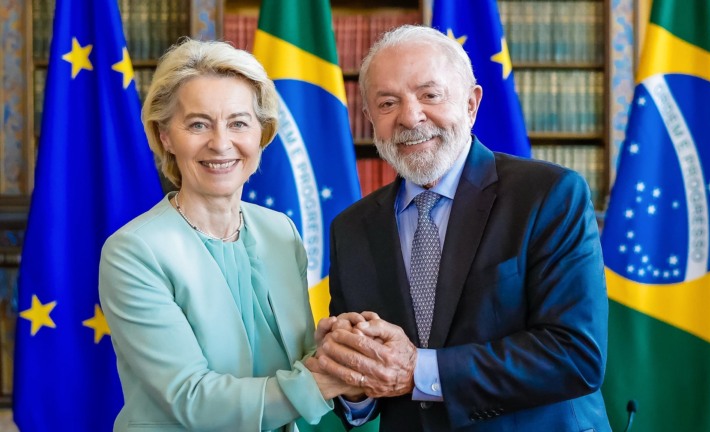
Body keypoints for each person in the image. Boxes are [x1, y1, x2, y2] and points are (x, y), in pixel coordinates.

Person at [309, 25, 611, 431]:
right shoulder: (351, 228)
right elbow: (366, 398)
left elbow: (576, 356)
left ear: (471, 104)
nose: (410, 116)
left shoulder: (549, 195)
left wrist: (419, 369)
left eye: (430, 95)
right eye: (387, 103)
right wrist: (353, 376)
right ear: (369, 119)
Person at [98, 39, 355, 432]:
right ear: (165, 135)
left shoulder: (279, 232)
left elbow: (290, 364)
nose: (221, 143)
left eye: (238, 122)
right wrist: (325, 380)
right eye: (198, 124)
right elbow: (191, 399)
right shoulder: (134, 251)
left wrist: (339, 350)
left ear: (262, 134)